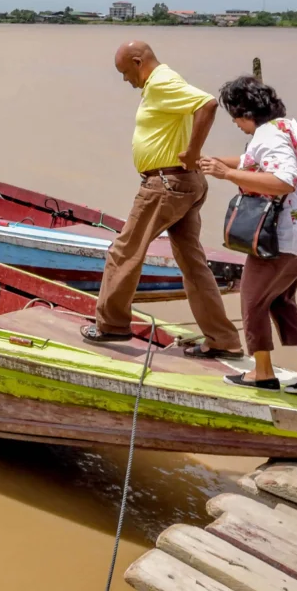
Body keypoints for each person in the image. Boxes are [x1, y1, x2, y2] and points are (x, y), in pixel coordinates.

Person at [80, 42, 243, 356]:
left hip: (166, 184)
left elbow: (208, 104)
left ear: (139, 62)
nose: (126, 80)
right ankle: (223, 340)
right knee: (193, 264)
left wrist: (194, 151)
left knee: (124, 251)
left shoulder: (162, 82)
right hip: (183, 184)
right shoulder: (164, 82)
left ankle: (111, 326)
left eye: (126, 72)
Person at [199, 75, 297, 394]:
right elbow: (254, 162)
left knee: (252, 299)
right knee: (278, 299)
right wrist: (215, 161)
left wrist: (227, 174)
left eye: (235, 117)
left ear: (245, 112)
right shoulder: (288, 128)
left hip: (288, 230)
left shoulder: (267, 136)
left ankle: (261, 373)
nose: (235, 124)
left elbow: (283, 180)